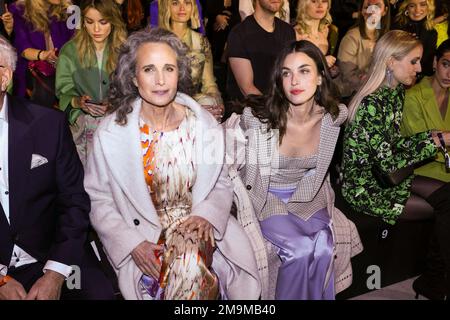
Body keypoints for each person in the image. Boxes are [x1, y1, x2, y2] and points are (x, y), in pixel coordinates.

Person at [84, 28, 261, 300]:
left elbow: (221, 181)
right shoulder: (111, 133)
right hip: (142, 234)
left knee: (189, 261)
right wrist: (132, 244)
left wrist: (207, 215)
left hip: (198, 226)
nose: (160, 80)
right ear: (133, 77)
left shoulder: (203, 124)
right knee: (187, 266)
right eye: (149, 70)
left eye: (168, 68)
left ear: (180, 73)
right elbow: (99, 199)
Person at [224, 40, 363, 300]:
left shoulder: (333, 117)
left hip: (308, 197)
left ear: (321, 77)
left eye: (304, 71)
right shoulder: (260, 119)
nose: (294, 81)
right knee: (299, 249)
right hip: (268, 198)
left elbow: (318, 174)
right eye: (286, 73)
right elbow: (243, 177)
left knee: (323, 247)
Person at [0, 36, 114, 300]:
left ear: (4, 76)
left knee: (99, 295)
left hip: (52, 254)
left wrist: (55, 273)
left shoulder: (48, 124)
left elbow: (74, 200)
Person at [342, 30, 450, 300]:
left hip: (389, 175)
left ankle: (434, 281)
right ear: (391, 62)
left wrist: (433, 137)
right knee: (445, 207)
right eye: (414, 61)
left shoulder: (396, 94)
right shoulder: (371, 103)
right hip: (366, 187)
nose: (420, 68)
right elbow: (387, 160)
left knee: (448, 197)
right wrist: (434, 141)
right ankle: (436, 282)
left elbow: (394, 150)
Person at [56, 0, 127, 166]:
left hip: (118, 119)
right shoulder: (69, 51)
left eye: (103, 22)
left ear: (114, 21)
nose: (96, 29)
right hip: (82, 123)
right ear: (82, 22)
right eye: (89, 22)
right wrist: (79, 102)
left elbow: (133, 89)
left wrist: (115, 103)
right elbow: (63, 92)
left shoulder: (126, 50)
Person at [159, 0, 224, 121]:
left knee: (209, 103)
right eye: (175, 3)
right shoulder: (156, 41)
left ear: (193, 7)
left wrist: (217, 103)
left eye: (187, 3)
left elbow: (209, 83)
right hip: (162, 102)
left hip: (194, 102)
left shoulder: (201, 42)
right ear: (166, 7)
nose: (182, 8)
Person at [226, 0, 296, 102]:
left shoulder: (288, 31)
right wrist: (277, 112)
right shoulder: (239, 34)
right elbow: (247, 88)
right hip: (248, 110)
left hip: (282, 107)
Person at [401, 39, 450, 182]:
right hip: (419, 171)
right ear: (435, 62)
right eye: (446, 64)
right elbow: (421, 147)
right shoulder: (413, 97)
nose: (449, 74)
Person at [9, 0, 73, 107]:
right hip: (34, 68)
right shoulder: (20, 10)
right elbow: (23, 48)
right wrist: (43, 55)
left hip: (65, 65)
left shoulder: (71, 9)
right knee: (46, 88)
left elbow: (76, 40)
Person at [337, 0, 390, 98]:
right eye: (367, 6)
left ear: (384, 11)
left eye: (377, 6)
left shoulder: (383, 36)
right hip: (350, 94)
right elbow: (348, 76)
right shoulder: (352, 37)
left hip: (374, 90)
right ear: (362, 11)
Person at [393, 0, 437, 78]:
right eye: (412, 6)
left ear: (429, 7)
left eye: (423, 5)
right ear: (406, 8)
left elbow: (427, 64)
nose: (417, 10)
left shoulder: (432, 33)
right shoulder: (395, 27)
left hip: (418, 80)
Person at [294, 0, 338, 69]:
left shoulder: (329, 31)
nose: (320, 5)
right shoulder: (296, 33)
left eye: (324, 1)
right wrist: (321, 62)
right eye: (314, 1)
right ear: (304, 5)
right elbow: (292, 65)